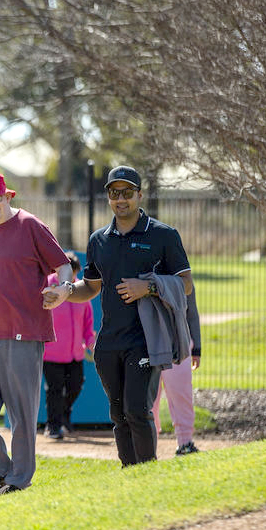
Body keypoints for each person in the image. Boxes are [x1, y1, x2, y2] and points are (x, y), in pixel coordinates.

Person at [55, 166, 193, 467]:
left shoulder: (163, 236)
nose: (121, 199)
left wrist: (150, 286)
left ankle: (145, 471)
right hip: (108, 343)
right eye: (114, 193)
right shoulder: (98, 240)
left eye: (128, 192)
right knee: (118, 415)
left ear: (139, 195)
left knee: (137, 410)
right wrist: (65, 291)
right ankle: (130, 472)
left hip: (146, 339)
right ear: (108, 197)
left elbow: (185, 284)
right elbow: (90, 287)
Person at [0, 171, 73, 501]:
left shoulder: (29, 225)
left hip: (23, 331)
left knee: (21, 413)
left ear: (8, 196)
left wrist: (63, 290)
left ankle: (18, 479)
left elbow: (63, 266)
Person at [42, 252, 96, 440]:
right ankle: (53, 426)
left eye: (74, 275)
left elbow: (88, 323)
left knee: (76, 385)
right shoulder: (48, 286)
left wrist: (91, 342)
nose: (72, 279)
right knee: (55, 389)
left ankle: (63, 416)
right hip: (51, 352)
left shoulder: (80, 290)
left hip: (75, 353)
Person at [152, 290, 202, 455]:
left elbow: (192, 312)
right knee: (149, 399)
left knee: (181, 393)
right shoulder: (141, 268)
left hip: (179, 342)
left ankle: (185, 442)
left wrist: (197, 349)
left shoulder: (181, 273)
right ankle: (147, 443)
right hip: (147, 342)